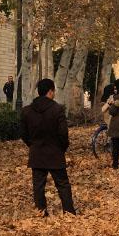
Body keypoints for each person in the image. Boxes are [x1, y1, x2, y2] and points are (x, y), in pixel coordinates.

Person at [20, 78, 76, 216]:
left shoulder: (27, 111)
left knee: (38, 185)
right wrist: (62, 147)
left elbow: (23, 133)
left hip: (37, 152)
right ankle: (68, 211)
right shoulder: (57, 109)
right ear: (51, 91)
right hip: (55, 152)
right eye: (54, 91)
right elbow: (63, 133)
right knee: (62, 184)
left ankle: (41, 211)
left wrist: (32, 144)